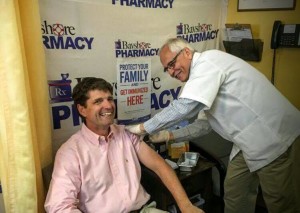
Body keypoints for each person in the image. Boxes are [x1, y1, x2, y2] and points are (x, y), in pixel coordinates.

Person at [125, 37, 300, 213]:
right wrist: (169, 136)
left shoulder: (208, 62)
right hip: (248, 141)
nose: (170, 72)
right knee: (234, 192)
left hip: (274, 136)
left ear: (186, 52)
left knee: (281, 203)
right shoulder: (200, 81)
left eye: (172, 63)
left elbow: (183, 107)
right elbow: (203, 125)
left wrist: (142, 128)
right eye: (167, 69)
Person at [44, 77, 205, 213]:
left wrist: (186, 205)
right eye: (98, 101)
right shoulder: (70, 152)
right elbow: (59, 206)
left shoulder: (126, 134)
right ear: (82, 109)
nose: (108, 105)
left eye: (109, 99)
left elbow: (160, 166)